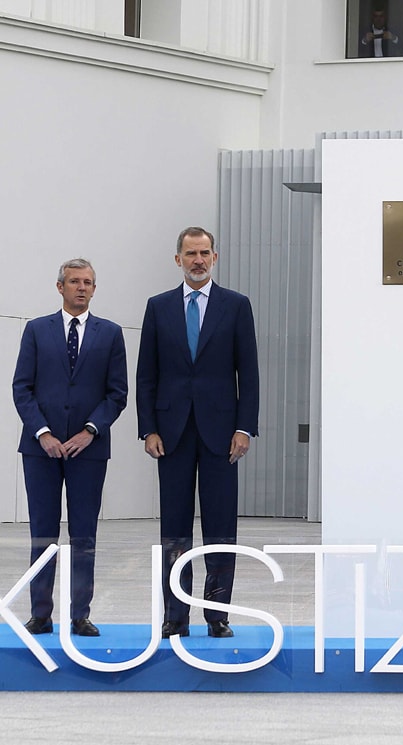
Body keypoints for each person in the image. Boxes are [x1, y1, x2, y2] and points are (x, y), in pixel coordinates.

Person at [136, 226, 259, 639]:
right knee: (174, 528)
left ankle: (217, 614)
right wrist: (148, 428)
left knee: (221, 527)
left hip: (222, 434)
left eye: (205, 252)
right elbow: (146, 376)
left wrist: (245, 427)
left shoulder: (236, 306)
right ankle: (175, 615)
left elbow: (250, 374)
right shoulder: (158, 307)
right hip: (170, 434)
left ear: (215, 257)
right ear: (178, 259)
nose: (198, 260)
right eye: (190, 253)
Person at [12, 258, 128, 637]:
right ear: (59, 286)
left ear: (95, 289)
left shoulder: (110, 334)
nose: (82, 287)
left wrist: (90, 430)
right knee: (43, 534)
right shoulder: (36, 330)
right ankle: (40, 614)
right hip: (40, 450)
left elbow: (117, 393)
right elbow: (21, 388)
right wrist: (42, 433)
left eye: (89, 282)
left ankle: (80, 614)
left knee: (84, 535)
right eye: (75, 281)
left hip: (88, 451)